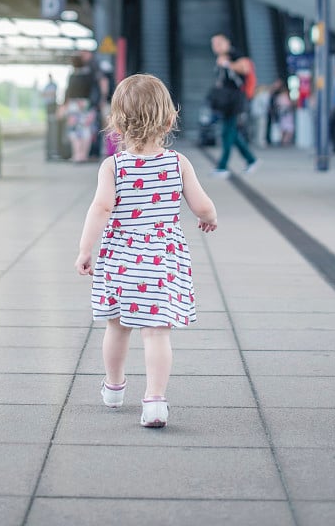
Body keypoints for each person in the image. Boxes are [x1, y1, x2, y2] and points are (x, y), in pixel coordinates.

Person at [74, 74, 217, 429]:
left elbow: (100, 209)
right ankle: (154, 401)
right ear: (169, 120)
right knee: (156, 332)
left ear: (117, 123)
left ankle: (114, 387)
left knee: (116, 326)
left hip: (121, 257)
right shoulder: (178, 163)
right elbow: (200, 205)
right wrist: (209, 217)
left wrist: (85, 248)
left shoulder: (114, 166)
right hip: (160, 260)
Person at [209, 34, 259, 177]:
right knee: (232, 133)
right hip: (226, 101)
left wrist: (227, 64)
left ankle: (222, 166)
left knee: (227, 133)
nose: (216, 47)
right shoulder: (221, 58)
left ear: (227, 43)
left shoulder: (234, 54)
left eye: (219, 43)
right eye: (214, 44)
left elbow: (245, 68)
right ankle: (251, 159)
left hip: (235, 100)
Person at [63, 54, 97, 163]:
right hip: (85, 105)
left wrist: (64, 105)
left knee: (74, 132)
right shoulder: (89, 75)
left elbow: (67, 92)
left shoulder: (72, 76)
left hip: (73, 105)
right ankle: (84, 155)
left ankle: (77, 155)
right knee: (86, 130)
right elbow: (94, 91)